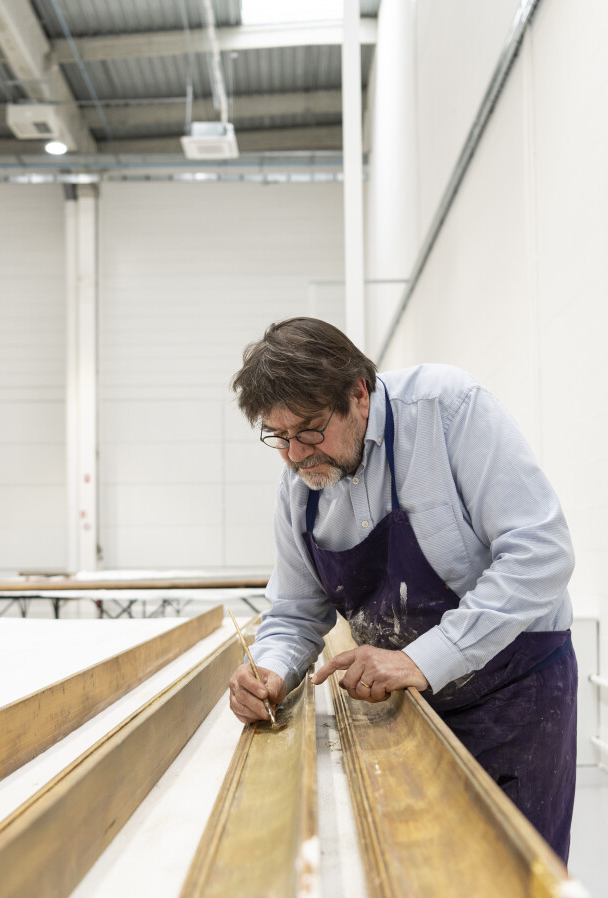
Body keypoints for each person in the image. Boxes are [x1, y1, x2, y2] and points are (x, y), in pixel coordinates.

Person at [228, 317, 577, 863]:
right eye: (280, 437)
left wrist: (423, 658)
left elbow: (542, 553)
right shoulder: (299, 483)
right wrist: (271, 668)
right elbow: (297, 610)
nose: (296, 455)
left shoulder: (449, 411)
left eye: (311, 429)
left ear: (358, 394)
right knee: (427, 884)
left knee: (516, 888)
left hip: (515, 696)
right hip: (409, 708)